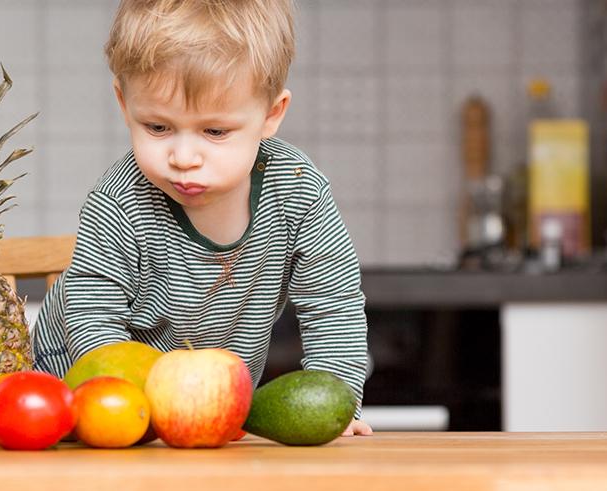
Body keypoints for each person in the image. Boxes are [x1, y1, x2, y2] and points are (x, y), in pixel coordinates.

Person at [32, 0, 372, 436]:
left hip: (196, 406)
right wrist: (122, 411)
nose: (184, 158)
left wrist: (337, 402)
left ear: (271, 114)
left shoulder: (299, 191)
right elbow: (93, 315)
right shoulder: (118, 202)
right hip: (87, 387)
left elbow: (333, 306)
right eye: (158, 127)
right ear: (124, 103)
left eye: (215, 132)